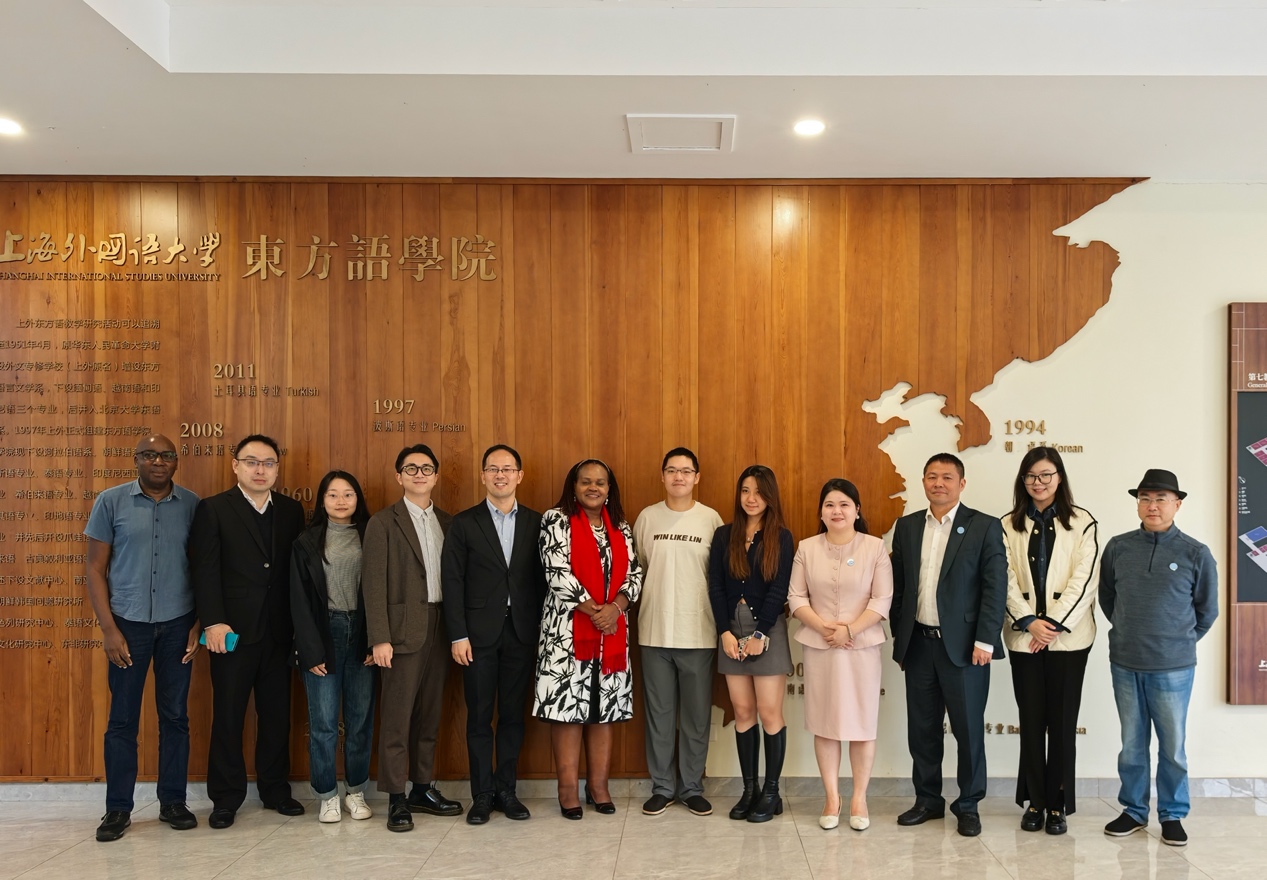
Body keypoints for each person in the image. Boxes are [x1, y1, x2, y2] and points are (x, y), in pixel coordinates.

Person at [84, 434, 201, 842]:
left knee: (175, 717)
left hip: (178, 624)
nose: (159, 461)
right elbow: (95, 569)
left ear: (176, 462)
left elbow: (205, 567)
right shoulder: (110, 501)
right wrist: (108, 629)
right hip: (128, 625)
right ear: (136, 460)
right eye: (150, 454)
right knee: (122, 720)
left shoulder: (192, 505)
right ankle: (118, 808)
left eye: (167, 455)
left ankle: (173, 802)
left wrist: (199, 623)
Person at [191, 434, 307, 829]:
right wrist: (213, 621)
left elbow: (295, 573)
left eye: (268, 463)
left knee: (276, 717)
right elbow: (205, 570)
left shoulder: (291, 510)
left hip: (279, 632)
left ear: (277, 469)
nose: (260, 470)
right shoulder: (213, 509)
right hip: (231, 633)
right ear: (236, 466)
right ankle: (225, 798)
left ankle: (275, 791)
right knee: (228, 717)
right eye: (252, 461)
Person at [889, 452, 1007, 838]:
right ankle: (927, 800)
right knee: (922, 729)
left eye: (947, 477)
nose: (938, 483)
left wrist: (986, 640)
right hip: (919, 645)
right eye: (931, 476)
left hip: (966, 649)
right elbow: (899, 588)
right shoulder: (907, 526)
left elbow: (995, 588)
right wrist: (900, 637)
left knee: (968, 730)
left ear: (961, 483)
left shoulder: (984, 526)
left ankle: (968, 804)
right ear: (923, 481)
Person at [1099, 469, 1218, 848]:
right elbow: (1107, 598)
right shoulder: (1118, 547)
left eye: (1161, 499)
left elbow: (1207, 611)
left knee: (1173, 747)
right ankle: (1134, 811)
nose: (1152, 506)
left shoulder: (1196, 553)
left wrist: (1176, 642)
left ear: (1177, 505)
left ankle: (1172, 814)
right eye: (1145, 499)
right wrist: (1129, 632)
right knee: (1132, 745)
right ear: (1138, 504)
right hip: (1125, 662)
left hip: (1174, 668)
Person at [533, 459, 644, 819]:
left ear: (609, 489)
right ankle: (567, 790)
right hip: (566, 633)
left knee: (603, 709)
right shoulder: (555, 520)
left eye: (600, 482)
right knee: (568, 711)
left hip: (611, 634)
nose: (593, 488)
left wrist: (616, 608)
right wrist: (598, 611)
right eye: (586, 481)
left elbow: (635, 574)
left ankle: (598, 787)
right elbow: (556, 571)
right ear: (574, 486)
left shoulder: (621, 527)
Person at [442, 444, 546, 826]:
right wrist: (457, 634)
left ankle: (507, 791)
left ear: (519, 475)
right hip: (477, 637)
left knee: (513, 717)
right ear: (483, 475)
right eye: (493, 469)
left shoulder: (538, 522)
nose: (500, 475)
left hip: (521, 633)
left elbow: (543, 581)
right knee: (479, 718)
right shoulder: (463, 523)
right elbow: (452, 581)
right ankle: (482, 795)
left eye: (507, 469)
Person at [362, 443, 463, 832]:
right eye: (411, 468)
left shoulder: (449, 523)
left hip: (441, 628)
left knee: (429, 715)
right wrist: (379, 638)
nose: (419, 474)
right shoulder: (383, 523)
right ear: (399, 476)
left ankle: (422, 788)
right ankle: (395, 798)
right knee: (397, 718)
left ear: (436, 476)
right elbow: (373, 585)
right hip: (400, 633)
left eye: (426, 468)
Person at [1001, 447, 1099, 836]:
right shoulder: (1007, 525)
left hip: (1068, 642)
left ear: (1059, 477)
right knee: (1030, 722)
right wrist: (1029, 622)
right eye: (1031, 476)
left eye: (1045, 475)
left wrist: (1052, 625)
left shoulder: (1083, 522)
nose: (1038, 483)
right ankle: (1034, 802)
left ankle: (1058, 803)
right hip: (1024, 639)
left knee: (1061, 724)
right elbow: (1003, 578)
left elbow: (1084, 580)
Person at [788, 479, 892, 832]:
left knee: (862, 724)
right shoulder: (806, 548)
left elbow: (882, 599)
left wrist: (849, 630)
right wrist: (824, 628)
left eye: (845, 504)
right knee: (826, 723)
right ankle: (831, 798)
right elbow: (796, 597)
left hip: (861, 647)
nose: (837, 511)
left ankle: (859, 798)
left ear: (857, 510)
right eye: (830, 504)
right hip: (821, 648)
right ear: (821, 511)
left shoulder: (875, 548)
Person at [632, 447, 723, 817]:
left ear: (697, 477)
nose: (679, 477)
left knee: (696, 717)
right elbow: (638, 568)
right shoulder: (647, 518)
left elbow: (718, 576)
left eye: (686, 471)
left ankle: (691, 788)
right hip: (654, 632)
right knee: (659, 715)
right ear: (663, 476)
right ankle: (663, 788)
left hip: (698, 632)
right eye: (672, 470)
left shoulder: (710, 520)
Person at [707, 464, 795, 823]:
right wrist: (724, 632)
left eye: (758, 491)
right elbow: (715, 586)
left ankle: (771, 793)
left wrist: (760, 634)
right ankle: (749, 791)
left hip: (767, 630)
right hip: (731, 631)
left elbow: (780, 588)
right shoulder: (723, 535)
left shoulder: (782, 537)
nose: (751, 498)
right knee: (743, 712)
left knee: (770, 712)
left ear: (770, 496)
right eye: (745, 490)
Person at [290, 470, 375, 824]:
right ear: (322, 501)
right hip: (324, 632)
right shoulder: (307, 542)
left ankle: (355, 791)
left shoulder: (372, 534)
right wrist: (310, 650)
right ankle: (326, 795)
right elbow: (298, 601)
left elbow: (381, 591)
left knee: (360, 720)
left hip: (363, 634)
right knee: (324, 723)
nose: (341, 501)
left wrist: (375, 639)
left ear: (358, 499)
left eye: (348, 494)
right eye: (333, 494)